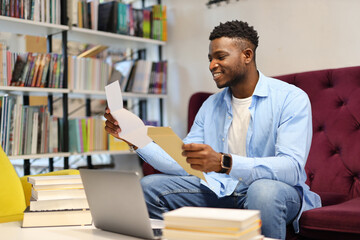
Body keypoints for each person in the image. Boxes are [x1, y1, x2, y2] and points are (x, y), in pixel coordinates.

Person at [104, 20, 321, 239]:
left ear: (247, 55)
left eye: (220, 57)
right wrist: (134, 136)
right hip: (224, 190)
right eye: (210, 59)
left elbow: (291, 167)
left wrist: (223, 163)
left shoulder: (291, 98)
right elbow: (183, 164)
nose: (211, 65)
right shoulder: (210, 105)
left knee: (262, 191)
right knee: (150, 186)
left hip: (277, 192)